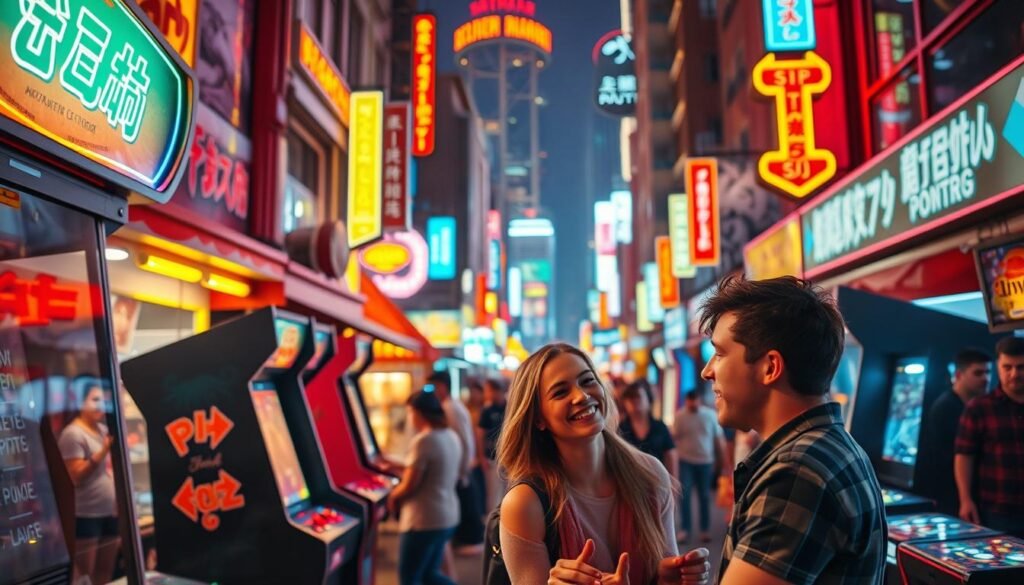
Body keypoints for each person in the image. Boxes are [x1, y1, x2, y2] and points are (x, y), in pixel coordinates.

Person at [699, 275, 885, 585]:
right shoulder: (830, 446)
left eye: (719, 354)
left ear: (770, 367)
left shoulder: (797, 472)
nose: (707, 372)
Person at [497, 342, 711, 585]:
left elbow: (665, 566)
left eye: (587, 381)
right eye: (560, 392)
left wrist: (674, 577)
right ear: (538, 418)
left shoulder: (650, 474)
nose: (581, 396)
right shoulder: (525, 504)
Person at [388, 390, 462, 585]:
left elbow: (410, 485)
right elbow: (432, 467)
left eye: (410, 412)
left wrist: (392, 496)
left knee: (410, 577)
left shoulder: (424, 440)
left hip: (422, 519)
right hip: (447, 514)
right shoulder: (450, 436)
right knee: (430, 574)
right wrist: (398, 466)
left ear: (418, 413)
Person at [955, 336, 1024, 536]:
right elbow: (964, 456)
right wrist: (965, 499)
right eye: (1007, 367)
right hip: (995, 510)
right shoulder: (979, 408)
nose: (1014, 374)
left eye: (1020, 367)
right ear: (998, 367)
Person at [58, 378, 121, 585]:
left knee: (105, 570)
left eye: (104, 400)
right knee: (85, 575)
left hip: (109, 511)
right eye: (95, 400)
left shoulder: (103, 430)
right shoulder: (72, 434)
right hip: (86, 514)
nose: (100, 406)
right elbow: (75, 475)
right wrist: (103, 450)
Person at [921, 348, 992, 515]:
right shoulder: (946, 407)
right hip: (950, 497)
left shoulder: (972, 407)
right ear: (959, 375)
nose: (986, 379)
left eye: (988, 372)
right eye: (978, 373)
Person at [427, 370, 485, 554]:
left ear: (442, 387)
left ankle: (471, 541)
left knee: (466, 504)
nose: (432, 391)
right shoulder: (452, 406)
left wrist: (462, 469)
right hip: (461, 465)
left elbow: (463, 439)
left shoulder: (451, 408)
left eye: (433, 387)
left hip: (460, 466)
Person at [671, 391, 727, 544]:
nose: (692, 404)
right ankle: (685, 529)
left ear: (699, 400)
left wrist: (721, 461)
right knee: (686, 495)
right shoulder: (680, 416)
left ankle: (704, 529)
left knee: (704, 495)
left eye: (695, 401)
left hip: (706, 461)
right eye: (690, 401)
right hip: (686, 460)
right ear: (686, 401)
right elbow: (674, 438)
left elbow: (717, 439)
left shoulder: (710, 415)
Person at [619, 379, 677, 477]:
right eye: (630, 398)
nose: (635, 401)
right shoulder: (620, 429)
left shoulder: (660, 427)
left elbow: (670, 454)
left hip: (658, 481)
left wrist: (674, 482)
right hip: (629, 484)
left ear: (649, 399)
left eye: (638, 396)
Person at [476, 376, 508, 510]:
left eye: (488, 390)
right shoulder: (487, 410)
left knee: (509, 491)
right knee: (493, 494)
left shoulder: (510, 407)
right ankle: (494, 526)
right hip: (492, 457)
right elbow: (480, 434)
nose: (487, 394)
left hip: (509, 457)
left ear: (498, 391)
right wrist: (481, 456)